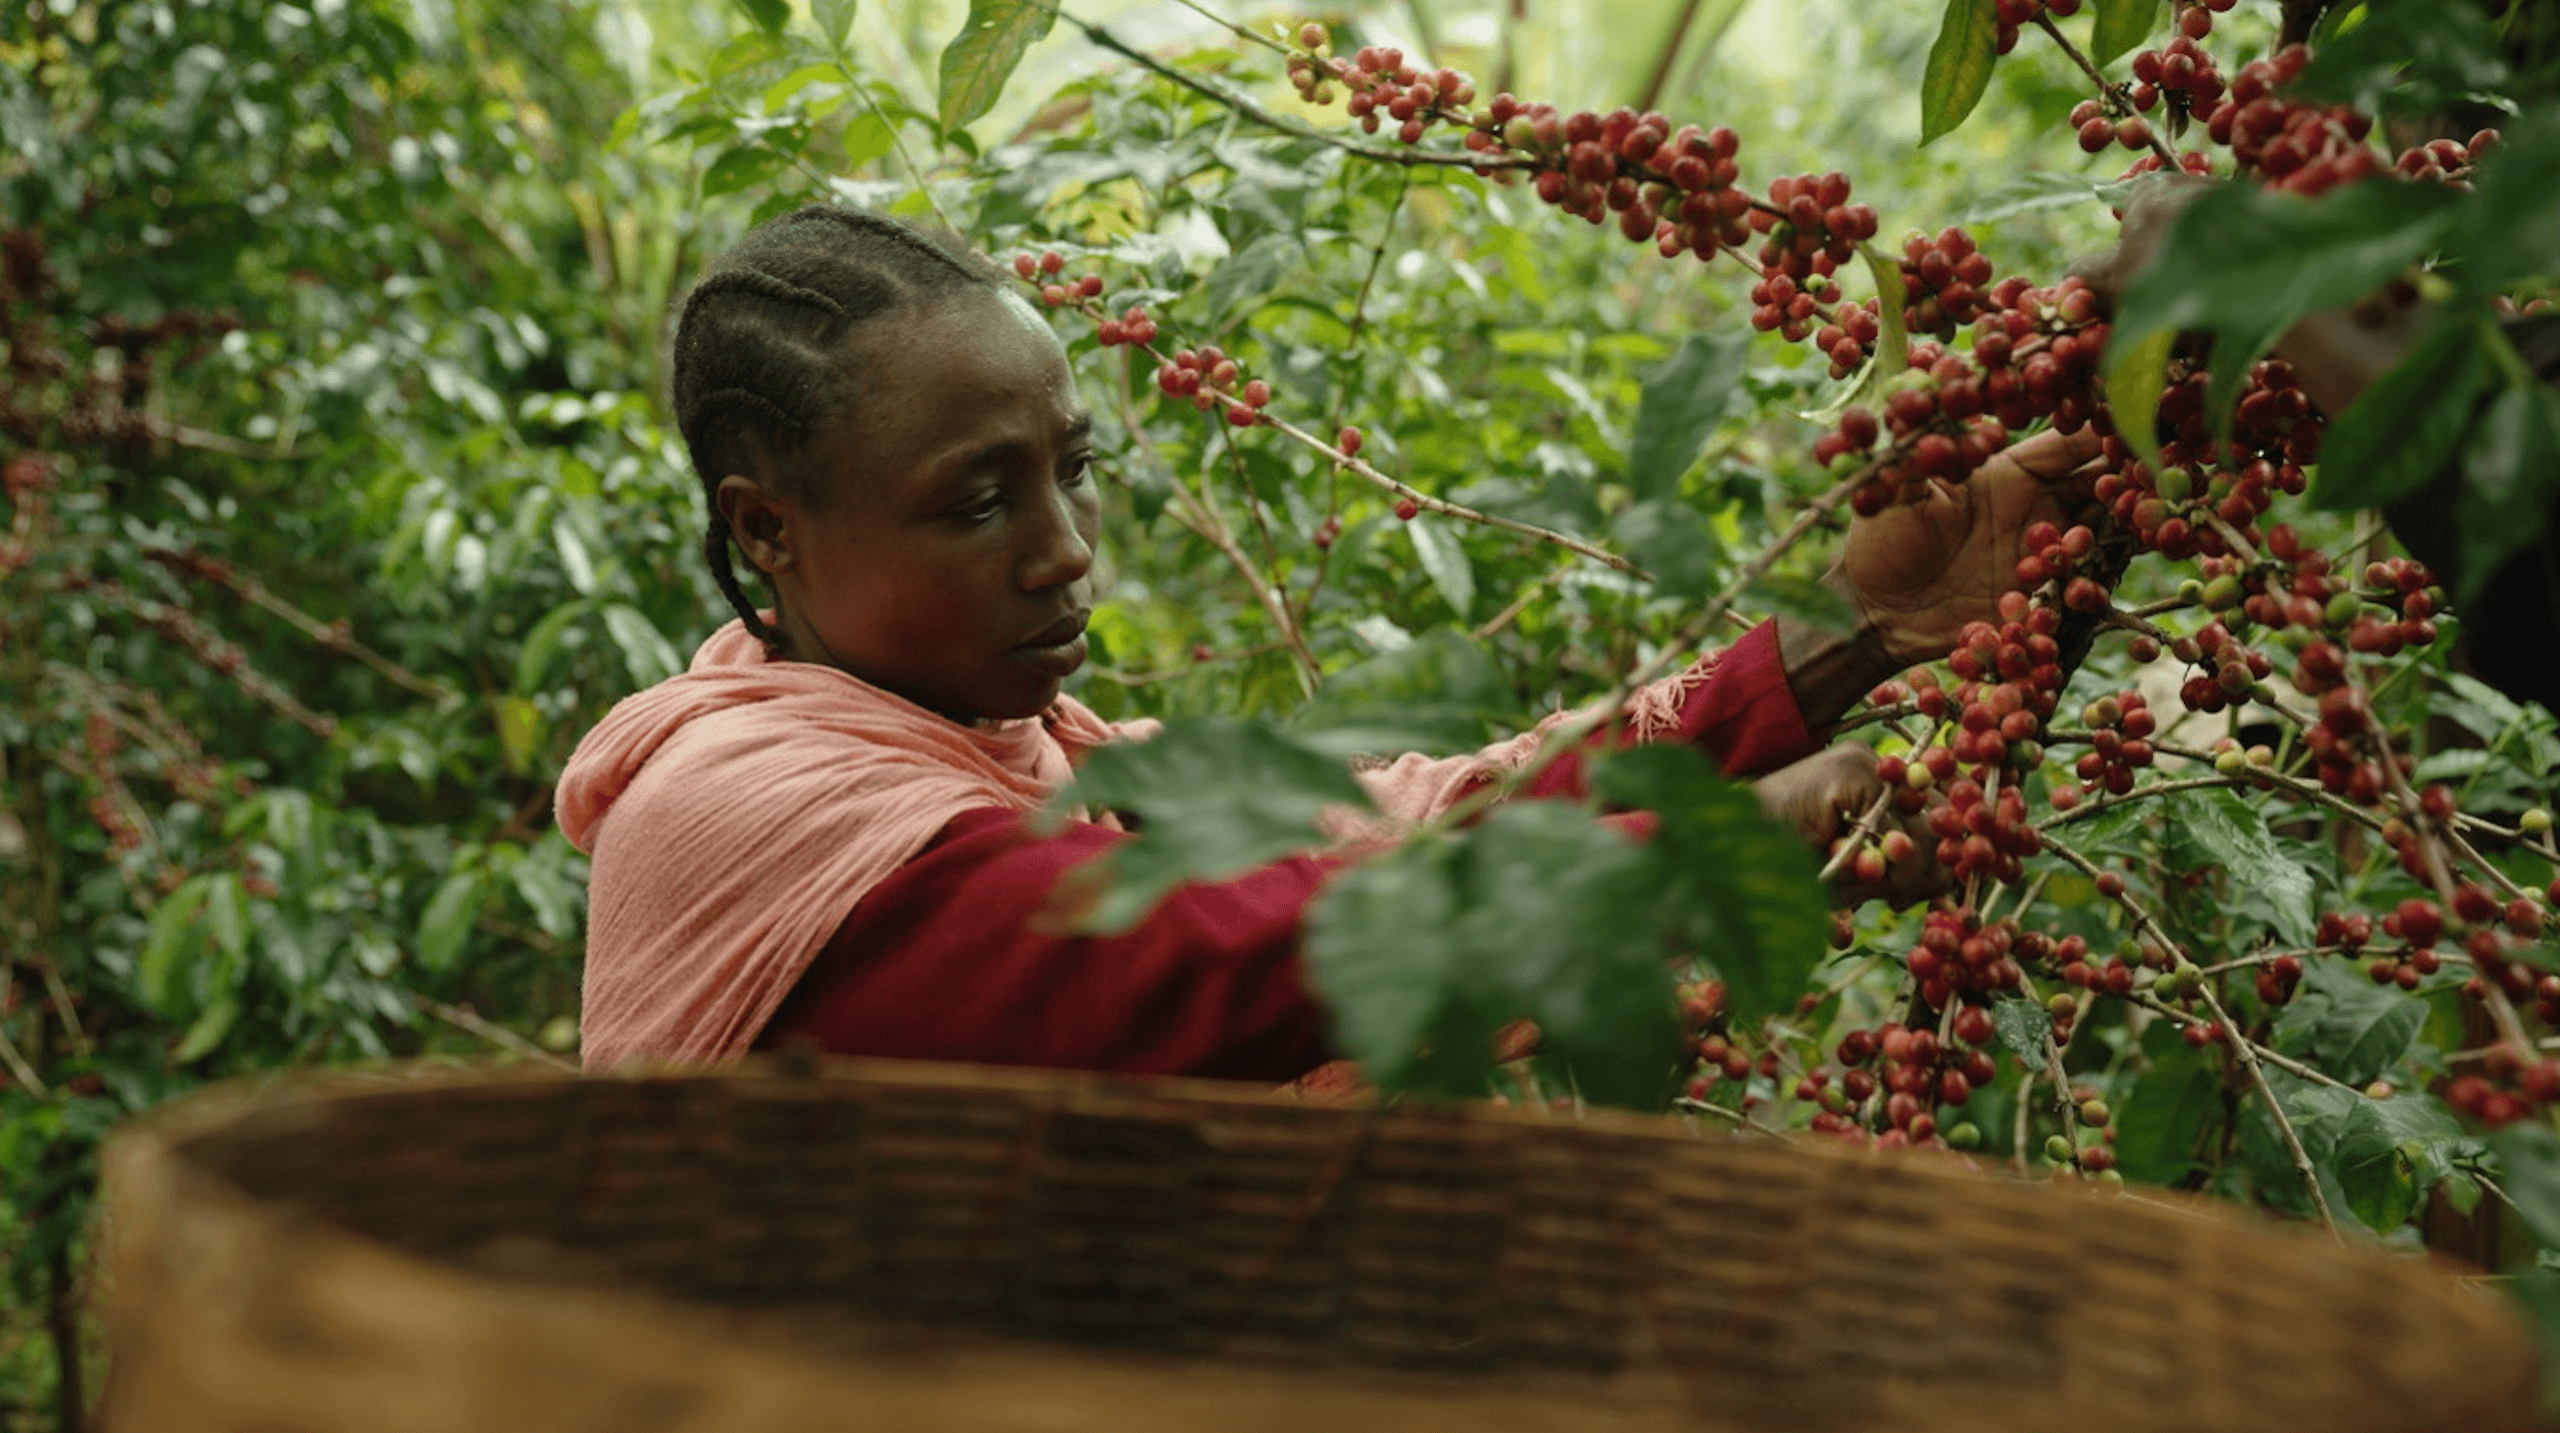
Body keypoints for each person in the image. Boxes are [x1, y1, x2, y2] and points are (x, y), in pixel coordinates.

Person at [555, 204, 2103, 1078]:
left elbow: (1424, 825)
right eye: (978, 502)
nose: (1066, 549)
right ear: (769, 530)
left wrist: (1851, 634)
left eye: (1070, 471)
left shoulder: (1054, 772)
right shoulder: (746, 816)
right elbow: (1238, 955)